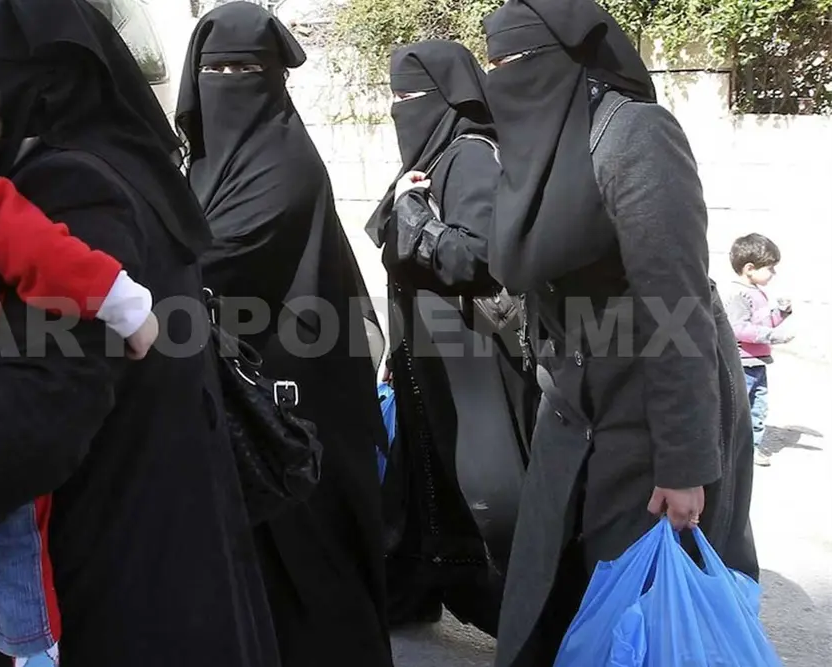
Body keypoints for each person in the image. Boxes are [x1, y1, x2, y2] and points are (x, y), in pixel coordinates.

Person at [0, 1, 280, 666]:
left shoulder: (65, 188)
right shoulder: (117, 161)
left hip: (107, 571)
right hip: (164, 537)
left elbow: (34, 414)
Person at [480, 1, 758, 664]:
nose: (501, 79)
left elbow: (678, 304)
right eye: (492, 67)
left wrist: (684, 464)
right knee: (555, 585)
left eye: (514, 62)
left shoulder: (634, 135)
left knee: (636, 604)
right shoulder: (543, 149)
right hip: (573, 403)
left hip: (647, 410)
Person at [175, 4, 392, 666]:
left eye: (248, 69)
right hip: (249, 402)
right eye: (216, 69)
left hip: (302, 408)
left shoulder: (283, 165)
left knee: (316, 576)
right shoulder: (203, 168)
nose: (231, 82)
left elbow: (212, 261)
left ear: (275, 78)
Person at [363, 40, 537, 636]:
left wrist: (414, 219)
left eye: (410, 96)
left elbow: (475, 258)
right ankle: (421, 590)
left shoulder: (469, 156)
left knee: (487, 486)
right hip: (430, 352)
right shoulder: (436, 156)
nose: (400, 108)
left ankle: (529, 616)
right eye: (394, 96)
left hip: (472, 356)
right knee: (427, 478)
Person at [724, 233, 794, 467]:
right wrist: (775, 337)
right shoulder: (739, 294)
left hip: (758, 362)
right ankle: (731, 447)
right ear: (750, 268)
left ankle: (751, 448)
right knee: (739, 409)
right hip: (743, 363)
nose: (773, 274)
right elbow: (739, 328)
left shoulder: (758, 293)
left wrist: (780, 315)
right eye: (770, 268)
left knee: (758, 407)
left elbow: (762, 325)